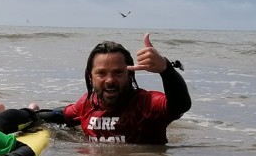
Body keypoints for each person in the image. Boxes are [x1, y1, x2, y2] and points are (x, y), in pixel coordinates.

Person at [36, 33, 190, 144]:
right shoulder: (86, 103)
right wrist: (29, 115)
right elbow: (62, 116)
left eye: (118, 72)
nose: (110, 80)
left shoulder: (146, 104)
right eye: (101, 73)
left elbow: (180, 105)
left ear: (129, 75)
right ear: (91, 77)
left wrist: (166, 69)